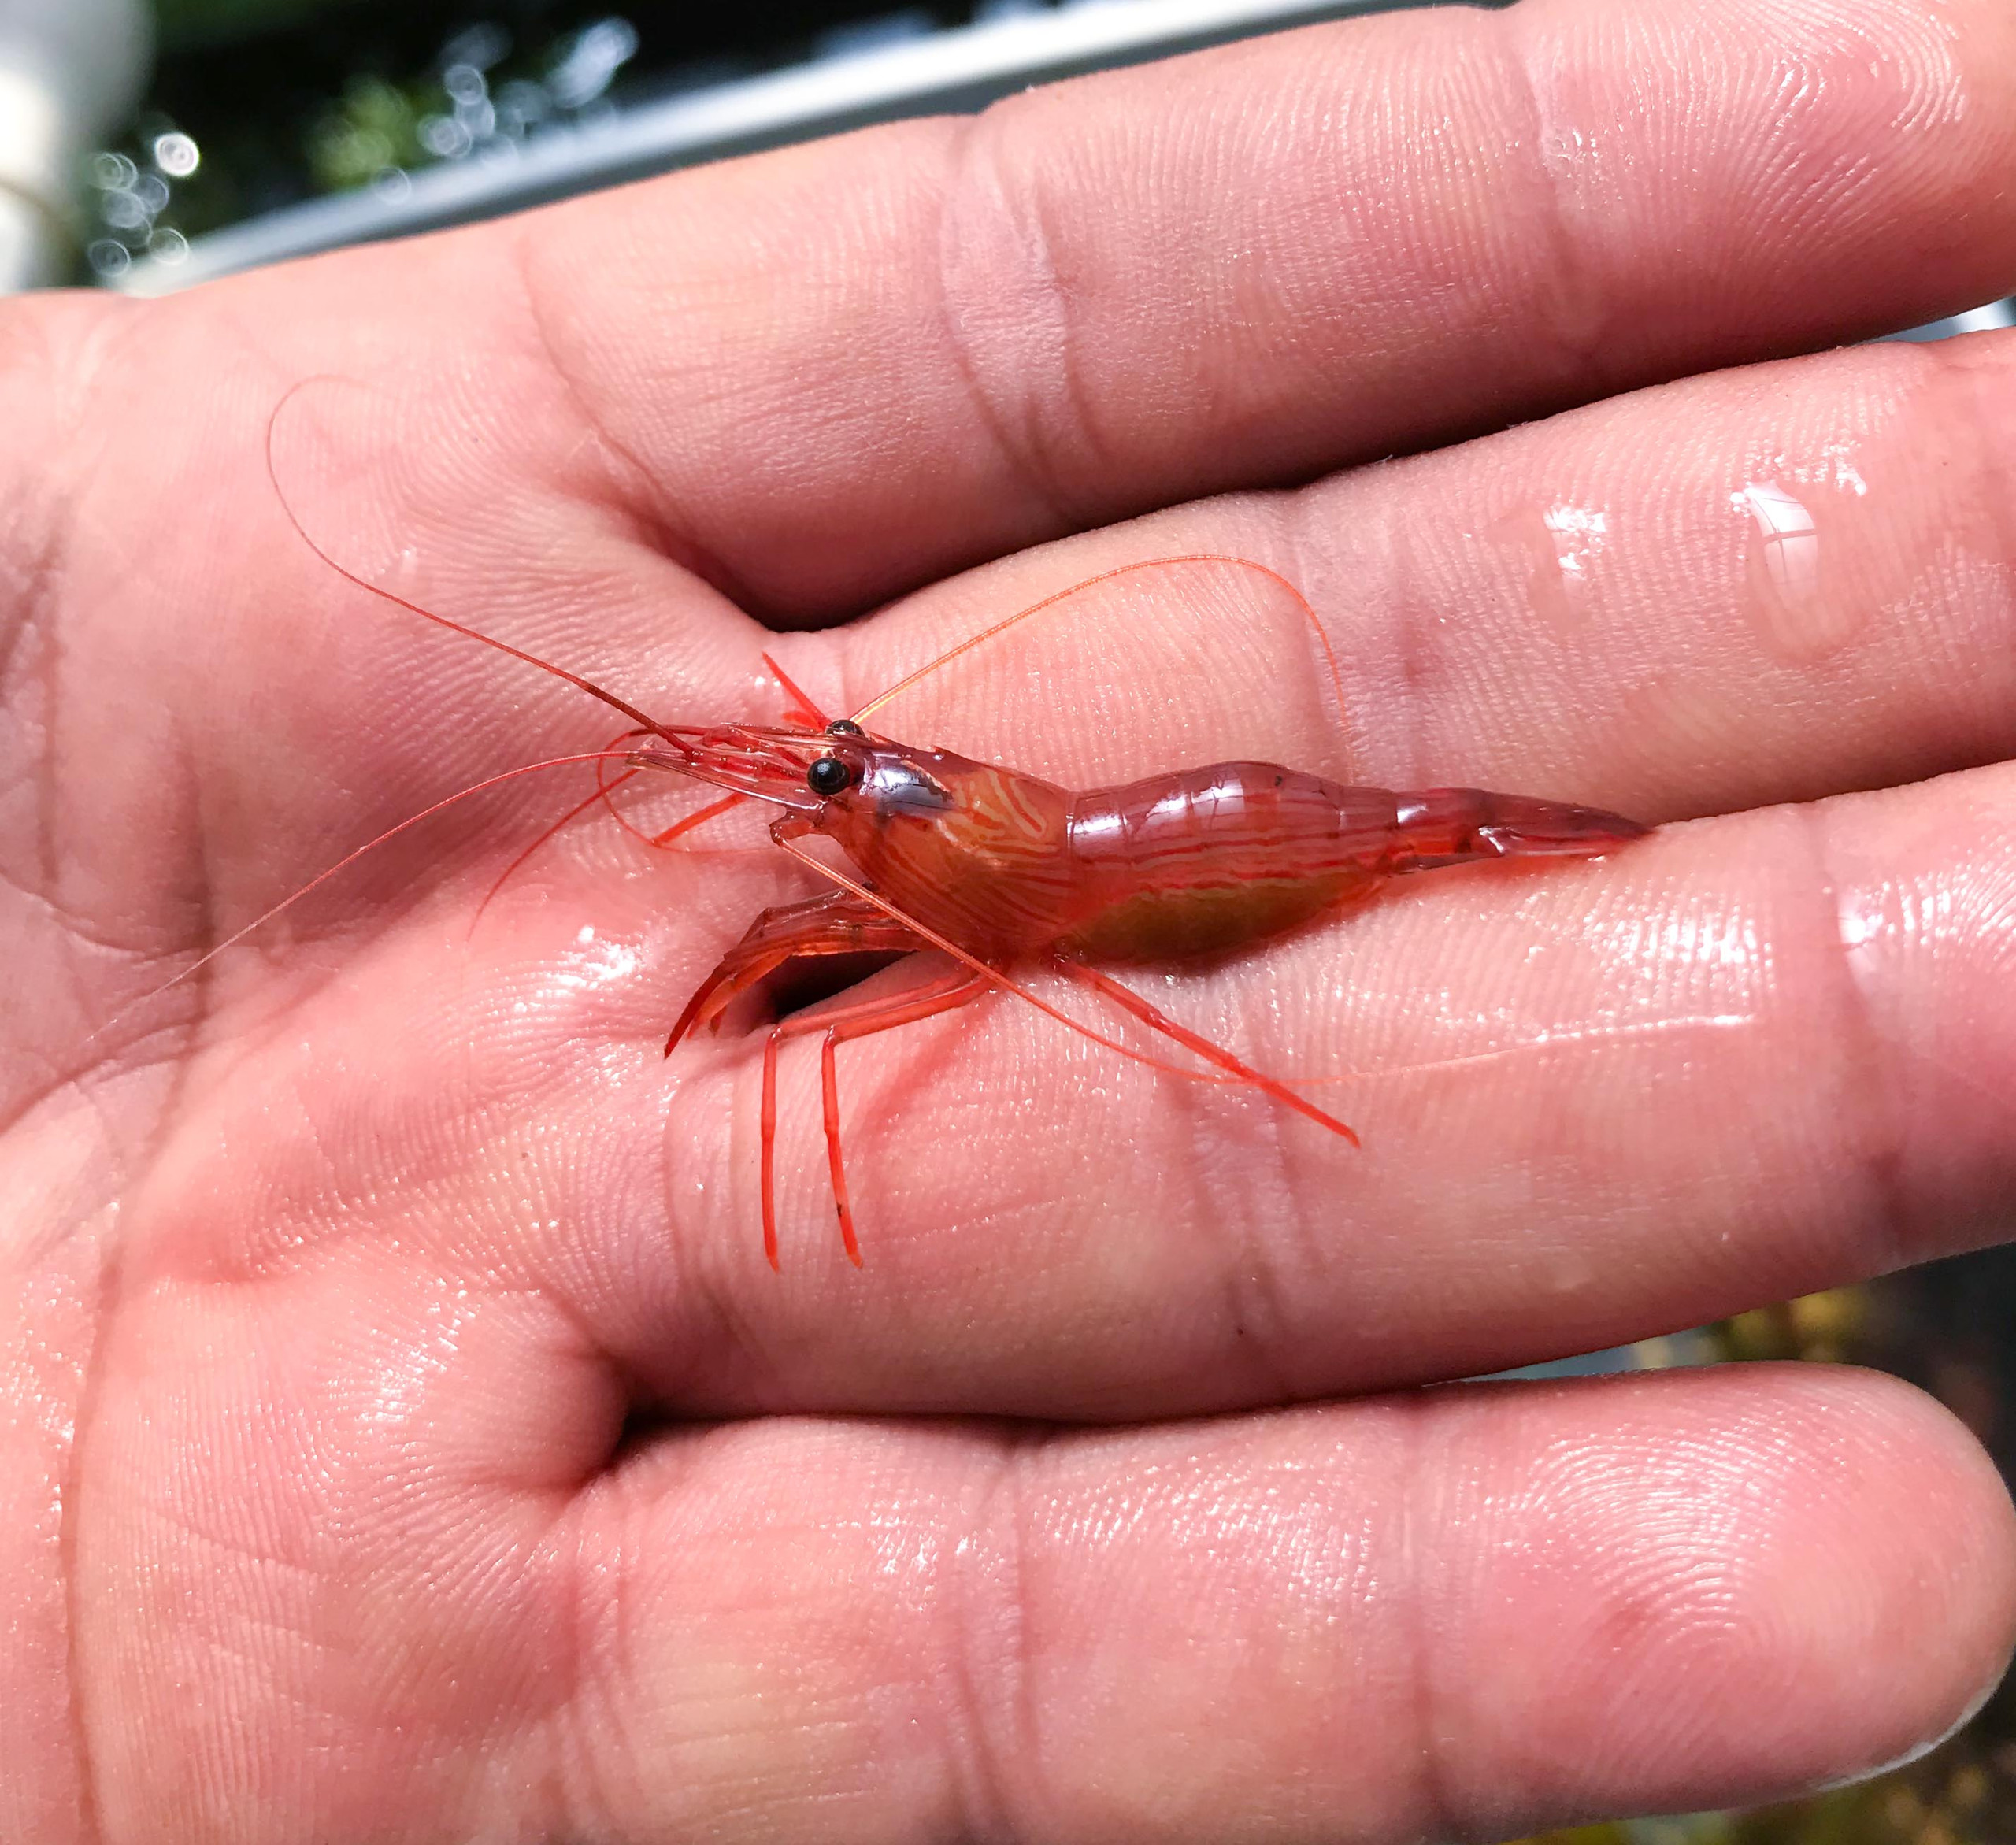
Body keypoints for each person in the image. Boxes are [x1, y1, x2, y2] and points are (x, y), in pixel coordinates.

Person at [5, 0, 2014, 1836]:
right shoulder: (882, 815)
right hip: (1113, 846)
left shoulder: (941, 870)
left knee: (1191, 896)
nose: (802, 795)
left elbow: (835, 949)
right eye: (823, 783)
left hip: (1204, 844)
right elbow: (827, 878)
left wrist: (818, 1000)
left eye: (824, 772)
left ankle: (1479, 836)